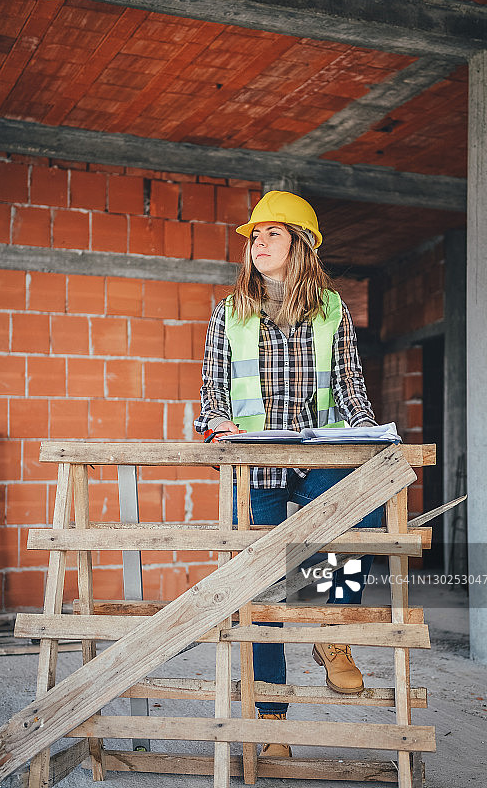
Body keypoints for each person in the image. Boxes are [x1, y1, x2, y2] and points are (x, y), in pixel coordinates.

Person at [194, 190, 383, 758]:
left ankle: (331, 630)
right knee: (263, 596)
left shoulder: (332, 310)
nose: (259, 243)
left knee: (367, 503)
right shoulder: (229, 312)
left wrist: (369, 437)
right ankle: (271, 725)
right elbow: (212, 394)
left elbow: (350, 389)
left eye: (273, 233)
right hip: (256, 466)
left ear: (301, 244)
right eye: (255, 235)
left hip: (317, 455)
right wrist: (219, 424)